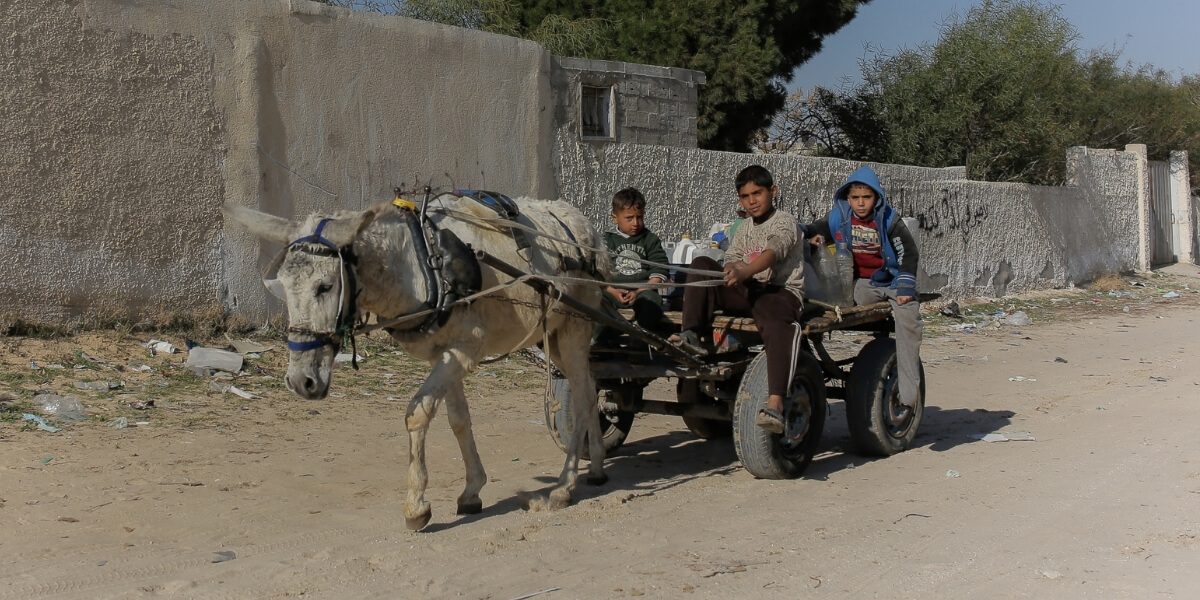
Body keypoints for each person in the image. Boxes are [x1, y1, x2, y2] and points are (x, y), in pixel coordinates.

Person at [671, 165, 809, 435]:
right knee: (701, 264)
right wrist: (732, 270)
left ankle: (776, 402)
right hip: (748, 289)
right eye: (745, 196)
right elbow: (732, 257)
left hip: (781, 292)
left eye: (757, 193)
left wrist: (744, 270)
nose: (752, 201)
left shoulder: (784, 222)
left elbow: (772, 252)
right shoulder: (743, 228)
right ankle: (690, 334)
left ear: (773, 191)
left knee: (773, 317)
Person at [806, 165, 923, 410]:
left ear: (876, 197)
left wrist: (904, 289)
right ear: (847, 198)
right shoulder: (840, 216)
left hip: (892, 280)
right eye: (855, 198)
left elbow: (908, 253)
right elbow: (815, 229)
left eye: (866, 198)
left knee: (909, 321)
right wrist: (806, 235)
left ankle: (909, 391)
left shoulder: (889, 219)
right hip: (864, 284)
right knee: (858, 297)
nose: (861, 204)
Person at [597, 187, 671, 340]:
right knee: (595, 300)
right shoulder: (606, 241)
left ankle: (640, 338)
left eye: (640, 217)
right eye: (629, 218)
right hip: (612, 292)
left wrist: (639, 291)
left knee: (652, 301)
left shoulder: (649, 239)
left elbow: (660, 269)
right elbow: (597, 272)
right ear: (615, 218)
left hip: (643, 292)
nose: (636, 223)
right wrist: (612, 291)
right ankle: (603, 341)